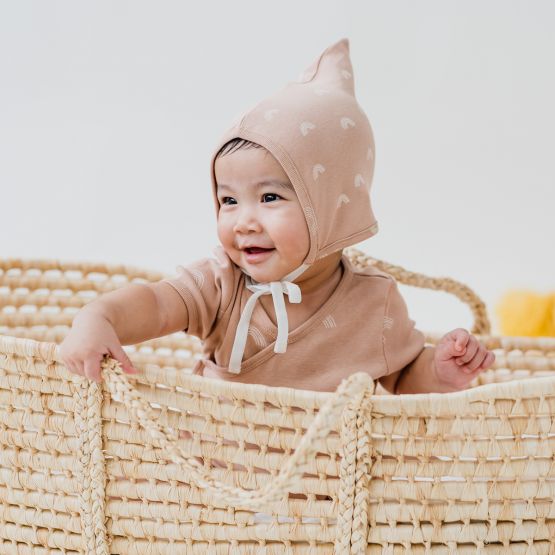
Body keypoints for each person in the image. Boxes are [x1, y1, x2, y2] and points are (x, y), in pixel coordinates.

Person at [60, 37, 495, 395]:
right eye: (228, 201)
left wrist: (438, 372)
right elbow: (156, 304)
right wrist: (100, 318)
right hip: (209, 478)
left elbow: (400, 378)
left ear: (332, 209)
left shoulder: (373, 303)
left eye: (269, 197)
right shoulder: (222, 284)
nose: (244, 221)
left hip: (325, 486)